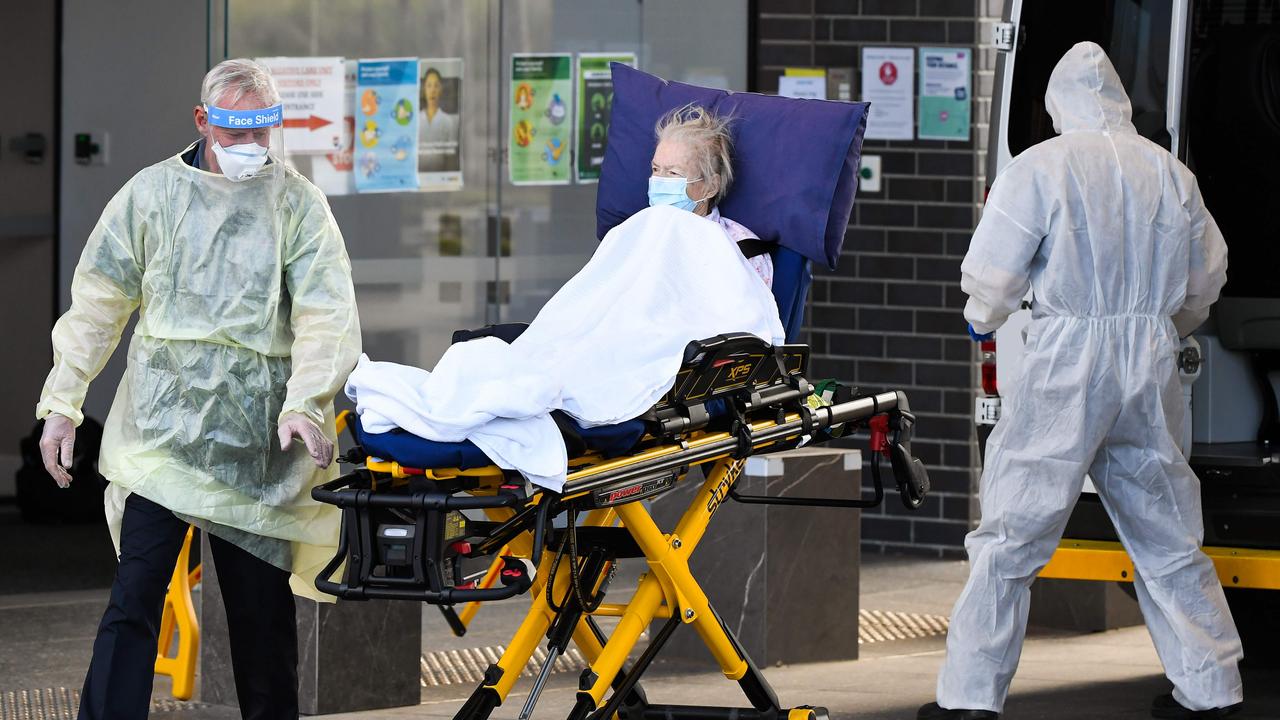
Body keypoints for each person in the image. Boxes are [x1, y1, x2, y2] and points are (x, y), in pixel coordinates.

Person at [918, 42, 1240, 720]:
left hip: (1066, 360)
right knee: (1167, 533)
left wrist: (982, 315)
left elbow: (993, 274)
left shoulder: (1042, 167)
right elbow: (1206, 276)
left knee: (1012, 531)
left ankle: (970, 698)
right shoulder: (1171, 173)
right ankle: (1212, 690)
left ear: (1056, 104)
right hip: (1147, 359)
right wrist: (1164, 325)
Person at [36, 58, 361, 720]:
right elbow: (100, 300)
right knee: (135, 598)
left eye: (260, 133)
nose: (248, 149)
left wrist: (306, 401)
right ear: (202, 121)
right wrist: (62, 403)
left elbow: (328, 314)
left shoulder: (297, 205)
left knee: (261, 618)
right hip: (163, 439)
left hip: (255, 447)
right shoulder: (153, 196)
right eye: (234, 132)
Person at [648, 105, 774, 288]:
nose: (659, 180)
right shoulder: (634, 234)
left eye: (673, 173)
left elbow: (748, 314)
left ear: (710, 186)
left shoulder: (739, 250)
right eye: (655, 169)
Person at [418, 66, 460, 173]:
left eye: (436, 86)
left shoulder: (448, 121)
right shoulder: (416, 120)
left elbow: (451, 159)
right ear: (424, 90)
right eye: (429, 86)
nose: (432, 90)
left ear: (441, 89)